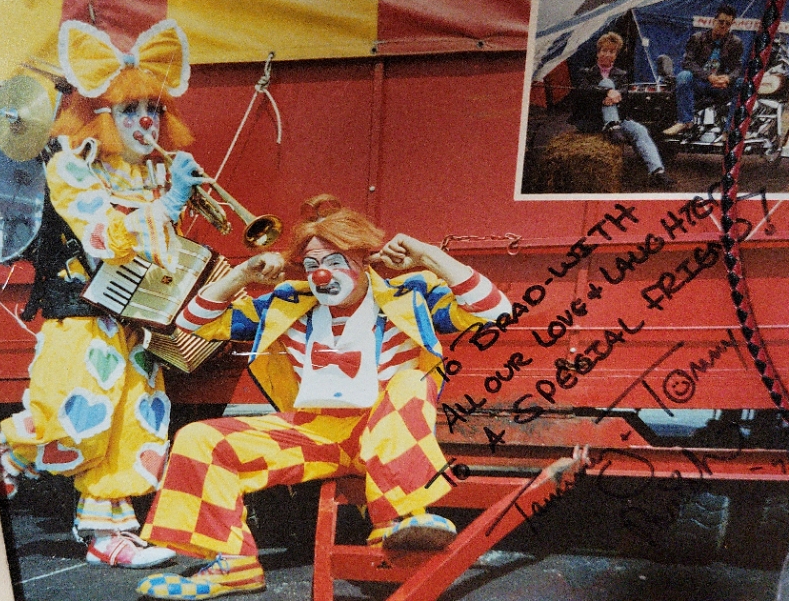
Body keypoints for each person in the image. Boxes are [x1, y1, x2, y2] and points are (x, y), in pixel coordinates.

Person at [133, 195, 512, 599]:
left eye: (335, 261)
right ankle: (234, 565)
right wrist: (242, 275)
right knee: (199, 438)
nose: (322, 274)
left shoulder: (409, 295)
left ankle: (401, 518)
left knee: (412, 382)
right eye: (313, 265)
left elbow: (496, 312)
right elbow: (192, 323)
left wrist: (430, 257)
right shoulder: (288, 303)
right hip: (316, 434)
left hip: (388, 431)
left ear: (364, 258)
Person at [0, 19, 208, 569]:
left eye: (153, 109)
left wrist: (174, 202)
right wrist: (168, 204)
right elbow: (102, 238)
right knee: (71, 419)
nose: (146, 121)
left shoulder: (154, 173)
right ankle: (9, 452)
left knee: (135, 424)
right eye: (130, 110)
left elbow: (162, 255)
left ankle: (106, 535)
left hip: (135, 323)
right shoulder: (72, 166)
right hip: (83, 317)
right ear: (101, 115)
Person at [570, 31, 673, 189]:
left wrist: (615, 96)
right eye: (604, 50)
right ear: (598, 53)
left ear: (616, 55)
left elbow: (625, 95)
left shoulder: (622, 74)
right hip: (593, 120)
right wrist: (606, 92)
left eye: (612, 51)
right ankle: (612, 125)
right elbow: (583, 91)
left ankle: (657, 171)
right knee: (607, 84)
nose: (607, 54)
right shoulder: (586, 73)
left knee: (640, 130)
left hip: (619, 120)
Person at [663, 4, 744, 136]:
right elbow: (687, 62)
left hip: (720, 85)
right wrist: (708, 76)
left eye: (728, 24)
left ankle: (730, 129)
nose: (723, 26)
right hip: (700, 83)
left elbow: (737, 67)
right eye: (721, 22)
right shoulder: (698, 38)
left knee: (741, 83)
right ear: (714, 21)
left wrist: (728, 78)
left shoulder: (735, 42)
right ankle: (685, 121)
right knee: (684, 76)